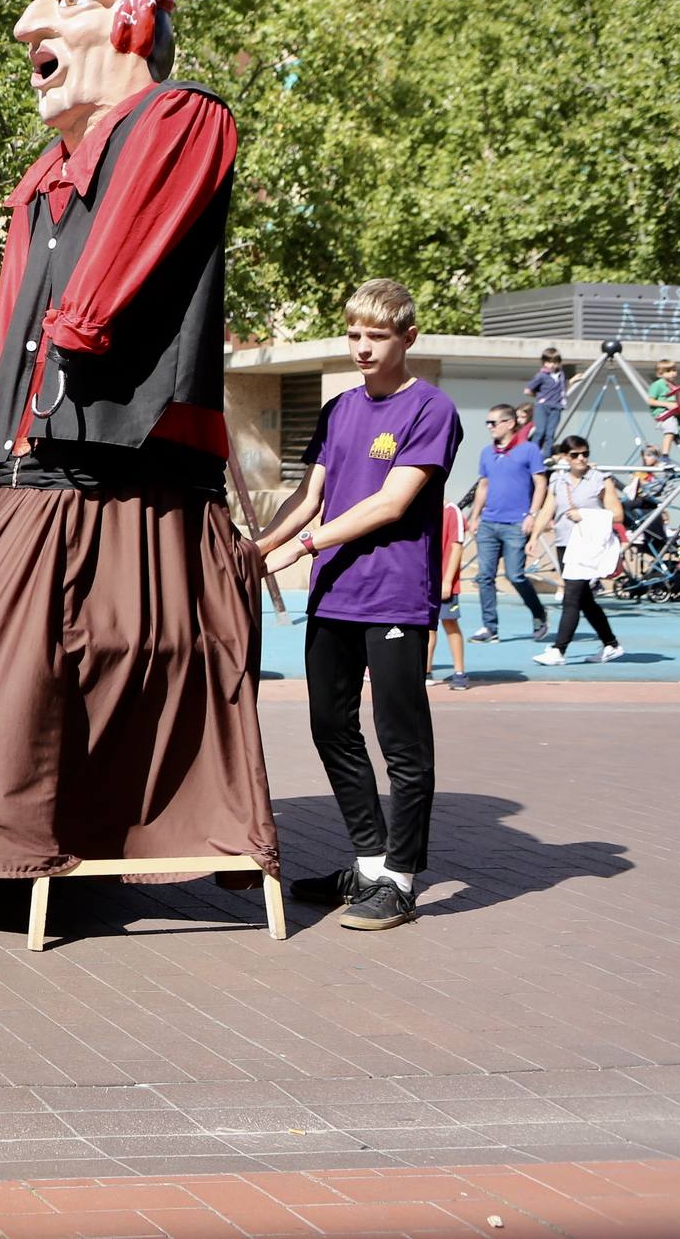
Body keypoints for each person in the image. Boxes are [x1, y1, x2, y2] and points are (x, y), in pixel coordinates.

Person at [0, 0, 275, 882]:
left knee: (10, 672)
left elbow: (89, 304)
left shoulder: (181, 119)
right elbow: (26, 322)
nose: (29, 27)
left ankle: (56, 845)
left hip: (127, 471)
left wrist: (77, 331)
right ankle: (38, 844)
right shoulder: (43, 183)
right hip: (49, 471)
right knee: (21, 675)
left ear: (133, 20)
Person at [258, 279, 462, 932]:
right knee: (330, 725)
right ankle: (370, 864)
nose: (363, 347)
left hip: (395, 594)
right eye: (354, 335)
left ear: (408, 337)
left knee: (402, 741)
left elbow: (391, 503)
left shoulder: (431, 409)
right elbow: (309, 496)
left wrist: (306, 545)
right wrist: (256, 547)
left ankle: (400, 880)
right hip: (336, 595)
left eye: (377, 336)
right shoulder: (340, 409)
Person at [532, 437, 628, 668]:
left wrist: (584, 515)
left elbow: (617, 514)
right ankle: (611, 644)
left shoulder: (600, 479)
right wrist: (534, 536)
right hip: (565, 544)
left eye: (584, 453)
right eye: (575, 455)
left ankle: (559, 649)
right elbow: (548, 509)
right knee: (585, 600)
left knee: (571, 597)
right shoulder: (557, 479)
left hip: (588, 546)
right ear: (565, 457)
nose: (581, 459)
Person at [467, 403, 549, 644]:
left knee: (515, 575)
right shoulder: (486, 452)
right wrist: (475, 516)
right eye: (488, 423)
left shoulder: (529, 450)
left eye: (494, 422)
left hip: (516, 523)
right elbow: (483, 485)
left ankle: (539, 614)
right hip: (488, 523)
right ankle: (489, 628)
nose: (490, 427)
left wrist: (532, 515)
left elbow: (541, 484)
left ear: (510, 423)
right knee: (485, 577)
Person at [431, 498, 470, 690]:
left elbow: (456, 547)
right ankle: (425, 670)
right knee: (426, 629)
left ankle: (459, 672)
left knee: (449, 623)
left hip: (444, 582)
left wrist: (447, 581)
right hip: (424, 583)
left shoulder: (451, 511)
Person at [524, 348, 566, 445]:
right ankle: (533, 452)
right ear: (544, 362)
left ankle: (547, 455)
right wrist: (539, 397)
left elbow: (563, 388)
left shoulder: (561, 374)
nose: (551, 365)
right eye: (548, 362)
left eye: (554, 362)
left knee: (550, 434)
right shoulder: (541, 375)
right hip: (543, 406)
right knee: (540, 431)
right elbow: (527, 390)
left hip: (556, 406)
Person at [648, 359, 680, 460]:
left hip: (673, 414)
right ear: (660, 374)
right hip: (662, 413)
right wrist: (666, 404)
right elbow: (650, 401)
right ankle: (665, 455)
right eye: (668, 371)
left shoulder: (673, 386)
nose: (672, 373)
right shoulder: (658, 384)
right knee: (670, 430)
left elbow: (676, 402)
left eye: (674, 370)